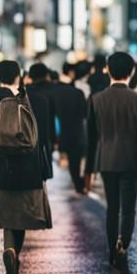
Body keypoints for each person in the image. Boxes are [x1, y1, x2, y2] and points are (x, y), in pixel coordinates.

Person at [0, 60, 53, 274]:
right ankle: (15, 253)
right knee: (22, 215)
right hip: (30, 165)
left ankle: (9, 250)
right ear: (19, 76)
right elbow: (46, 136)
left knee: (7, 214)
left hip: (3, 164)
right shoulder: (37, 100)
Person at [85, 52, 137, 267]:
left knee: (112, 208)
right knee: (129, 208)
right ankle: (123, 244)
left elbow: (91, 139)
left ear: (108, 70)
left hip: (106, 160)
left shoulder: (96, 100)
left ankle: (111, 252)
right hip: (132, 160)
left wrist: (88, 171)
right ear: (131, 71)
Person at [52, 62, 89, 194]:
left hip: (61, 133)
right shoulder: (78, 92)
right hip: (77, 132)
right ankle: (79, 185)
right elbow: (85, 113)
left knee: (70, 162)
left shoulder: (55, 91)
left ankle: (79, 183)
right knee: (75, 162)